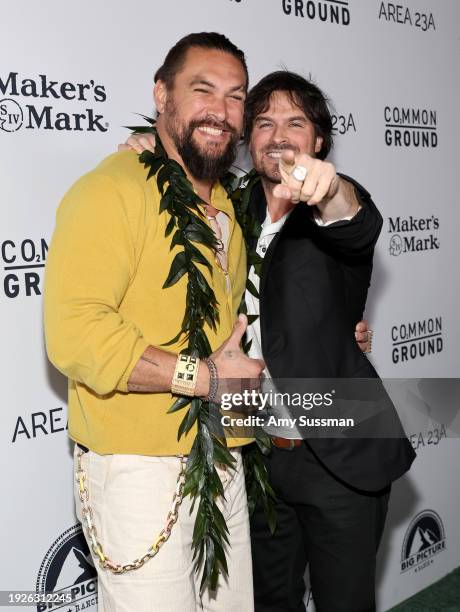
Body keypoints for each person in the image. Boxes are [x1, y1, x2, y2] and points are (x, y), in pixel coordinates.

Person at [124, 69, 415, 612]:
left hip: (341, 455)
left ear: (319, 141)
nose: (278, 136)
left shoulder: (333, 204)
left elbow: (353, 221)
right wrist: (152, 148)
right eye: (263, 123)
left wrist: (328, 189)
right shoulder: (229, 208)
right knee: (266, 602)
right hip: (253, 458)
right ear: (245, 139)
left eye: (295, 123)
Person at [44, 32, 265, 612]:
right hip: (139, 469)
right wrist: (204, 378)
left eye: (236, 96)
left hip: (221, 457)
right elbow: (77, 334)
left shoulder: (225, 211)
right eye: (202, 90)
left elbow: (231, 340)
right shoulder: (110, 190)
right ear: (161, 95)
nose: (221, 110)